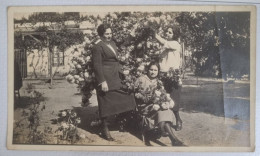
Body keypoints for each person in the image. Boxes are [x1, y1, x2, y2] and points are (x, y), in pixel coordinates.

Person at [92, 24, 136, 141]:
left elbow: (122, 44)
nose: (109, 35)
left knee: (128, 96)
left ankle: (121, 120)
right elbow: (96, 66)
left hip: (116, 76)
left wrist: (131, 35)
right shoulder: (97, 46)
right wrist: (102, 81)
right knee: (105, 103)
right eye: (106, 34)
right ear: (101, 34)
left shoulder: (111, 43)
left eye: (110, 33)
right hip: (106, 78)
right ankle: (104, 128)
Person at [135, 62, 183, 146]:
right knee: (162, 109)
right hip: (145, 106)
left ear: (158, 71)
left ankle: (171, 138)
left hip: (156, 105)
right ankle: (167, 133)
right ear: (147, 70)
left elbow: (163, 94)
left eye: (155, 70)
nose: (153, 72)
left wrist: (166, 100)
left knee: (165, 109)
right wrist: (144, 98)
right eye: (151, 69)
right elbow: (135, 93)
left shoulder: (159, 82)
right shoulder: (141, 79)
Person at [154, 26, 183, 131]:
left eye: (170, 32)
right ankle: (165, 123)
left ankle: (178, 119)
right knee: (163, 99)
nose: (167, 33)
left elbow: (163, 42)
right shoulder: (165, 46)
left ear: (174, 35)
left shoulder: (175, 44)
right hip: (163, 75)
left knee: (174, 100)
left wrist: (154, 34)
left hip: (173, 76)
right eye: (167, 32)